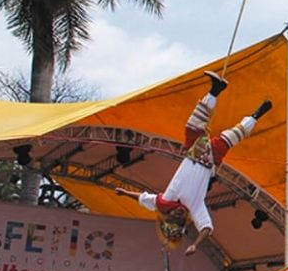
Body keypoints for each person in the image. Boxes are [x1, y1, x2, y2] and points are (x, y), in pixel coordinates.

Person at [116, 71, 272, 255]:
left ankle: (215, 90)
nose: (177, 214)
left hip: (193, 151)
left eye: (173, 216)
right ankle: (254, 116)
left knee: (193, 124)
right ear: (184, 221)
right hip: (210, 159)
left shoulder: (165, 201)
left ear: (169, 215)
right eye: (180, 219)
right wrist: (195, 245)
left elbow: (143, 199)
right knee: (233, 135)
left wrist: (124, 192)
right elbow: (206, 228)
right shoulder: (195, 208)